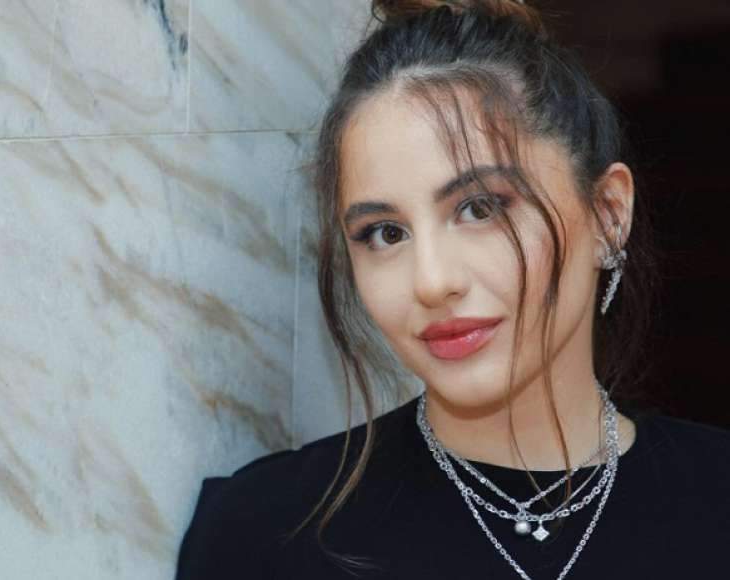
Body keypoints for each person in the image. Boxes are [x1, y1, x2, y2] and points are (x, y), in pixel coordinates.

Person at [175, 1, 730, 578]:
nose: (432, 281)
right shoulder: (264, 531)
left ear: (609, 216)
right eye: (385, 233)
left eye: (480, 208)